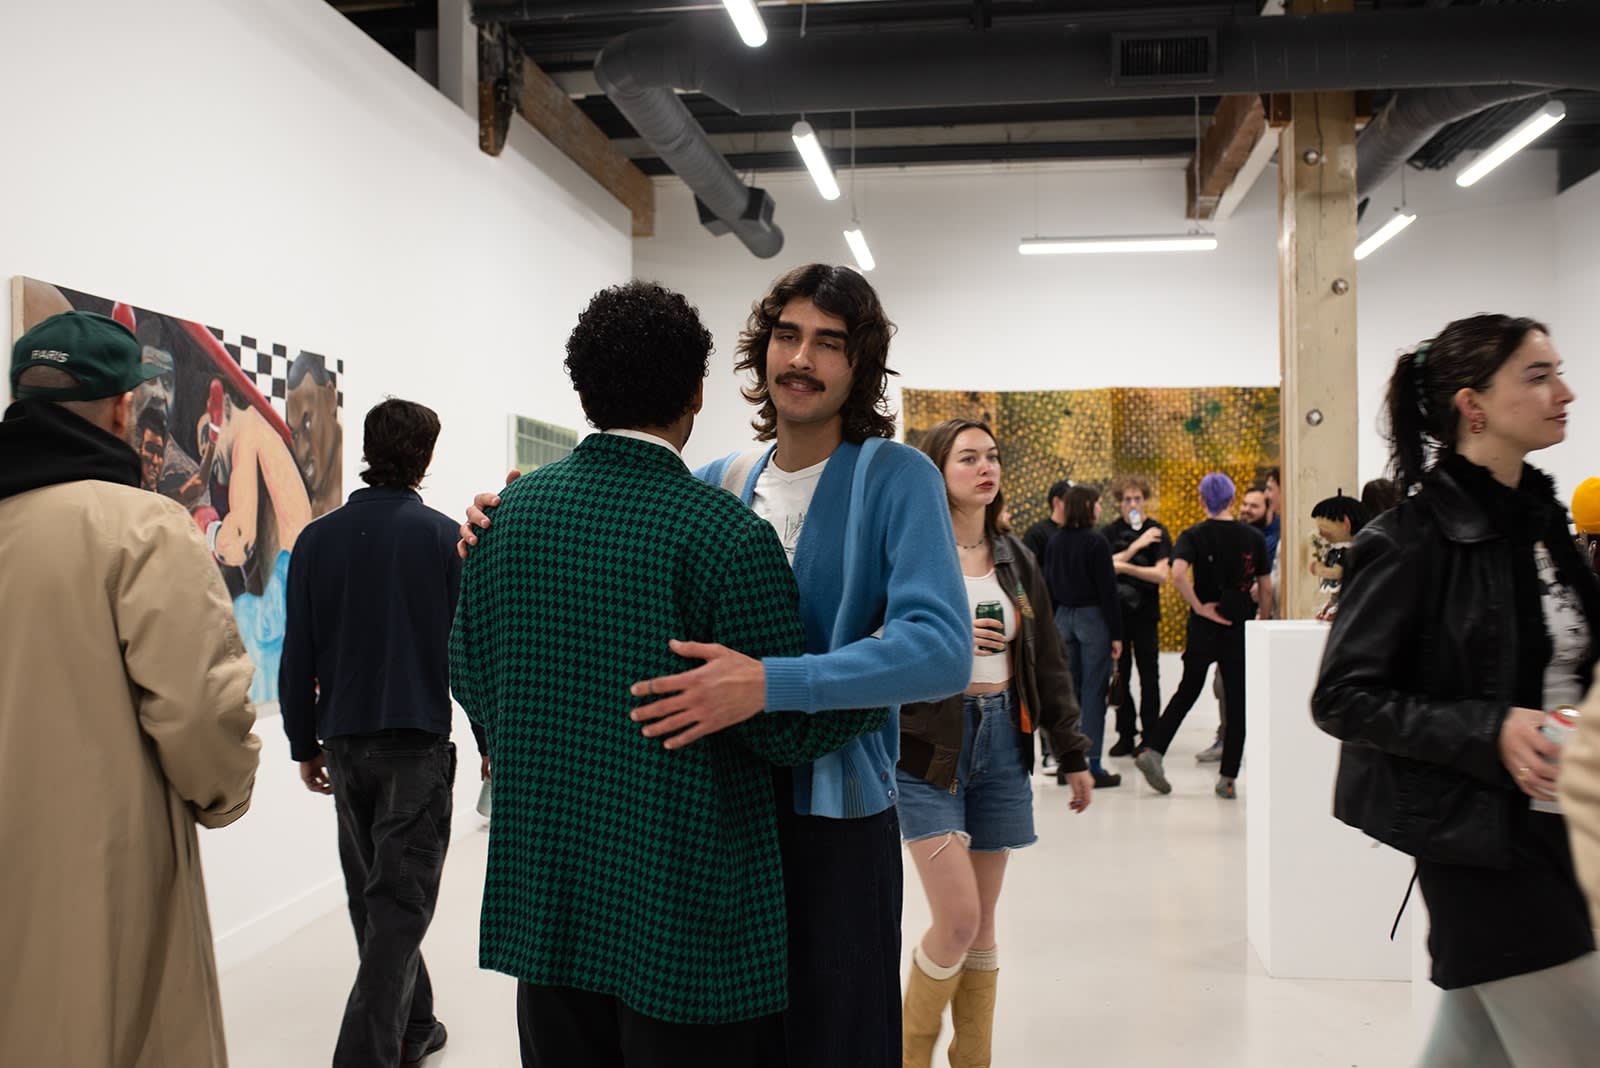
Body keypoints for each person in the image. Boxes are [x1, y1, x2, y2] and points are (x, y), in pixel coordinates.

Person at [464, 265, 970, 1068]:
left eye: (829, 343)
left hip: (833, 822)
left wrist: (771, 684)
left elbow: (942, 648)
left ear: (859, 364)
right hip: (716, 820)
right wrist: (503, 517)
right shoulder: (722, 482)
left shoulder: (895, 476)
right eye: (787, 335)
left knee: (836, 1039)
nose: (801, 358)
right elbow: (624, 531)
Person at [1312, 315, 1600, 1066]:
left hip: (1557, 827)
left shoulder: (1541, 525)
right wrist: (1490, 728)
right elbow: (1342, 695)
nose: (1564, 391)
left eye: (1557, 371)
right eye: (1537, 377)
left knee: (1474, 1052)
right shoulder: (1410, 537)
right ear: (1473, 407)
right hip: (1482, 845)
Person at [0, 311, 260, 1066]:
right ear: (121, 409)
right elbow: (201, 707)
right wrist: (226, 793)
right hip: (105, 873)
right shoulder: (141, 527)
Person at [280, 398, 483, 1067]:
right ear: (425, 456)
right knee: (397, 905)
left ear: (369, 448)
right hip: (416, 745)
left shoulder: (316, 540)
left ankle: (416, 1025)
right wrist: (491, 742)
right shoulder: (441, 539)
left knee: (377, 901)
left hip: (344, 742)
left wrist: (302, 743)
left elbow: (297, 654)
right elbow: (470, 654)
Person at [897, 418, 1093, 1067]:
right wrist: (947, 646)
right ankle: (908, 1053)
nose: (986, 467)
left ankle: (972, 1058)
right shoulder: (909, 555)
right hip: (927, 748)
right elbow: (875, 647)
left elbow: (1050, 663)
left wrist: (1073, 755)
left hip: (1003, 744)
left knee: (981, 924)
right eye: (968, 457)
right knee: (955, 919)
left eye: (993, 456)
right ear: (936, 470)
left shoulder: (1015, 557)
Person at [1133, 473, 1272, 800]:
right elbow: (1265, 587)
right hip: (1238, 626)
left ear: (1202, 500)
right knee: (1237, 700)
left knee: (1188, 689)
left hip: (1203, 626)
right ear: (1232, 499)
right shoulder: (1251, 536)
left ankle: (1152, 749)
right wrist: (1261, 621)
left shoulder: (1193, 535)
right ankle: (1227, 778)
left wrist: (1199, 607)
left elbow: (1178, 574)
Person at [1043, 484, 1124, 787]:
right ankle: (1093, 765)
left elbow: (1047, 587)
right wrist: (1117, 634)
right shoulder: (1097, 542)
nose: (1100, 508)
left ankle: (1068, 763)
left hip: (1063, 618)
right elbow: (1108, 592)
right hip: (1092, 618)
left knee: (1069, 693)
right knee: (1093, 694)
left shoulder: (1056, 541)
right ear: (1087, 506)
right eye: (1097, 503)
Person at [1103, 474, 1172, 756]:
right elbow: (1104, 566)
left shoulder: (1157, 531)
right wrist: (1135, 547)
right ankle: (1125, 733)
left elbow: (1161, 575)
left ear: (1145, 500)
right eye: (1127, 499)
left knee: (1149, 676)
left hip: (1145, 615)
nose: (1133, 503)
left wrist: (1125, 566)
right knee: (1121, 676)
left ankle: (1151, 735)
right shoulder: (1109, 532)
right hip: (1117, 617)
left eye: (1137, 498)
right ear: (1119, 503)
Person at [1022, 478, 1072, 562]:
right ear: (1057, 502)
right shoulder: (1037, 534)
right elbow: (1027, 569)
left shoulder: (1077, 532)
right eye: (1072, 500)